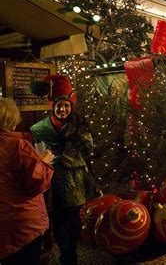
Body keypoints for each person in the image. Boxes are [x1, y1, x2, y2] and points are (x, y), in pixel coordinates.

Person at [30, 75, 97, 265]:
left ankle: (71, 250)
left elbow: (88, 150)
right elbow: (40, 155)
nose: (62, 109)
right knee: (58, 218)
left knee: (74, 218)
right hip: (54, 179)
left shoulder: (80, 125)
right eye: (59, 106)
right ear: (54, 106)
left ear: (71, 106)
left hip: (75, 179)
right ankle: (67, 255)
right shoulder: (40, 128)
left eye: (66, 106)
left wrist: (81, 139)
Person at [0, 98, 54, 265]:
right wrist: (44, 162)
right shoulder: (18, 146)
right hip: (22, 224)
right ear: (11, 119)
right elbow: (37, 183)